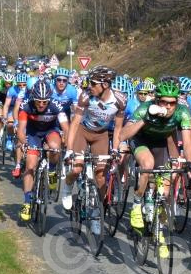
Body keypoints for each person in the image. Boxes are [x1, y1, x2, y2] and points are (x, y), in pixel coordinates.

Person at [122, 81, 191, 241]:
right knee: (148, 165)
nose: (169, 106)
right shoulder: (145, 108)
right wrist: (145, 119)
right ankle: (136, 204)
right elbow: (124, 134)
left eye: (172, 103)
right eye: (164, 102)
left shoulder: (182, 112)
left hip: (161, 144)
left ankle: (159, 224)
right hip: (141, 140)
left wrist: (189, 162)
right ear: (157, 101)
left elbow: (188, 140)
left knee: (165, 189)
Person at [62, 66, 127, 235]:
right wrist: (69, 150)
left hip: (101, 135)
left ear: (105, 84)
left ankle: (97, 214)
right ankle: (68, 186)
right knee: (77, 168)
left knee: (100, 175)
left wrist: (115, 149)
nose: (89, 85)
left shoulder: (120, 100)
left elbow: (118, 129)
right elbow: (75, 124)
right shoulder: (85, 97)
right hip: (83, 133)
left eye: (93, 83)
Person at [17, 81, 69, 221]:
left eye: (45, 102)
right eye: (38, 101)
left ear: (49, 99)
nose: (41, 105)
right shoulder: (25, 106)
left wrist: (68, 146)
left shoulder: (56, 106)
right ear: (33, 98)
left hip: (50, 131)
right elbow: (21, 130)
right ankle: (27, 202)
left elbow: (66, 128)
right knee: (30, 165)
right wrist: (25, 143)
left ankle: (52, 170)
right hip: (33, 133)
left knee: (55, 148)